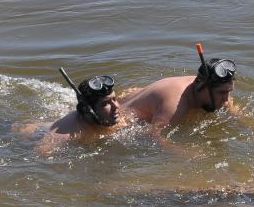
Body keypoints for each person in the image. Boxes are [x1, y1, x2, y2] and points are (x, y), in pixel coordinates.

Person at [33, 54, 237, 153]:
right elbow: (40, 158)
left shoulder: (213, 87)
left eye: (114, 100)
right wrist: (185, 154)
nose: (115, 107)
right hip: (39, 133)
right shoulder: (67, 135)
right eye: (106, 103)